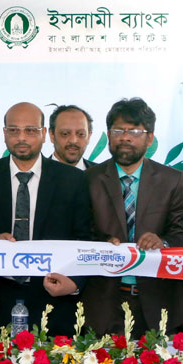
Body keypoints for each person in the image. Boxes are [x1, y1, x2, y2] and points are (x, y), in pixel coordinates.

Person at [0, 102, 91, 336]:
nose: (21, 137)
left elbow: (85, 238)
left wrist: (76, 281)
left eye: (30, 130)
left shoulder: (73, 179)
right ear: (4, 133)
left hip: (53, 294)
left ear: (44, 134)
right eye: (14, 130)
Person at [82, 98, 183, 338]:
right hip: (103, 303)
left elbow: (180, 233)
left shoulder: (173, 181)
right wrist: (101, 244)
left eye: (135, 131)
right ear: (108, 135)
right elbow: (78, 233)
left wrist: (163, 242)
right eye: (118, 131)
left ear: (150, 138)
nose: (125, 138)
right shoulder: (88, 180)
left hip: (159, 303)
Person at [49, 105, 97, 170]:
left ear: (89, 137)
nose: (73, 140)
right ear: (52, 135)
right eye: (65, 134)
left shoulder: (102, 173)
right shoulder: (38, 173)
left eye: (81, 134)